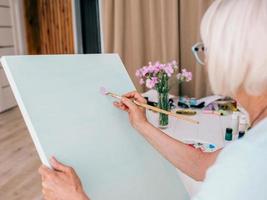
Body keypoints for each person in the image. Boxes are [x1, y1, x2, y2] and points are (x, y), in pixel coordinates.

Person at [38, 0, 267, 199]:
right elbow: (204, 166)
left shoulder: (250, 161)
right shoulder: (253, 144)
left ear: (236, 57)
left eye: (207, 48)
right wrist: (142, 125)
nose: (206, 59)